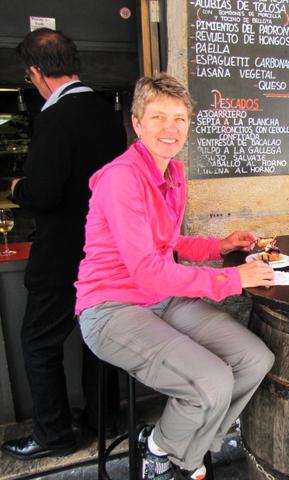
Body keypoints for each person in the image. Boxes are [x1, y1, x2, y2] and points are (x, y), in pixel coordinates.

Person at [74, 73, 276, 480]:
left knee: (256, 360)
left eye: (179, 118)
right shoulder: (121, 178)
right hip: (111, 308)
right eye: (159, 117)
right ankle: (163, 453)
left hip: (161, 299)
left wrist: (219, 246)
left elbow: (168, 241)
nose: (171, 128)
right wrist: (233, 279)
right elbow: (147, 269)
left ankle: (174, 448)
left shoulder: (172, 173)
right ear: (137, 123)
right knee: (213, 381)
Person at [1, 28, 126, 460]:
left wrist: (18, 188)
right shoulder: (108, 113)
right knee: (99, 339)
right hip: (104, 251)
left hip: (60, 255)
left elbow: (45, 193)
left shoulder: (54, 117)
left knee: (39, 343)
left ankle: (54, 435)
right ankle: (103, 420)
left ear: (36, 72)